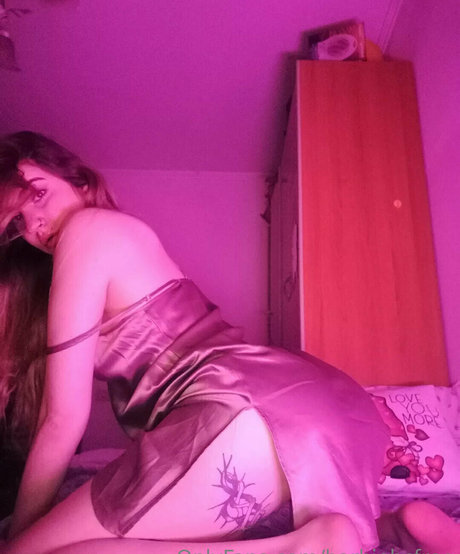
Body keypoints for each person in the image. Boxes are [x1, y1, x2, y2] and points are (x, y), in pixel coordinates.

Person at [0, 131, 458, 554]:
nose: (35, 223)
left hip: (237, 414)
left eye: (38, 194)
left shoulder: (88, 231)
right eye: (16, 221)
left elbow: (62, 419)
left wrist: (19, 536)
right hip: (306, 407)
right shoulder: (115, 240)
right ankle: (394, 529)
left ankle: (300, 547)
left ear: (79, 181)